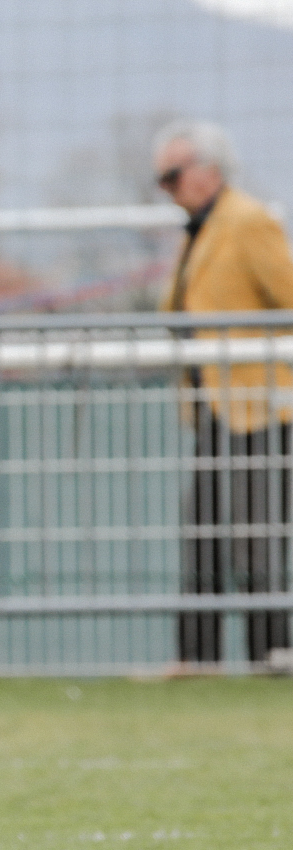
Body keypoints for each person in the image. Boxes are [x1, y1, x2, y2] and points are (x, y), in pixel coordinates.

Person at [154, 119, 293, 665]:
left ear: (208, 171)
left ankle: (272, 654)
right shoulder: (199, 232)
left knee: (257, 538)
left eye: (173, 174)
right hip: (212, 409)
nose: (166, 188)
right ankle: (196, 659)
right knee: (204, 533)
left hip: (256, 410)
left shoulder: (247, 222)